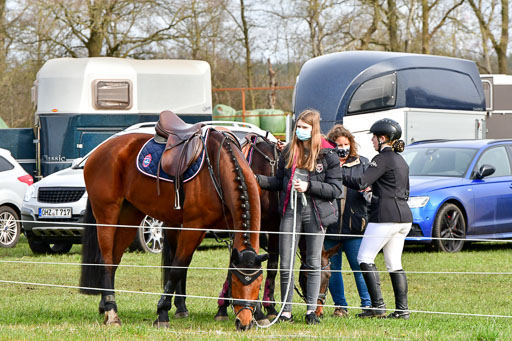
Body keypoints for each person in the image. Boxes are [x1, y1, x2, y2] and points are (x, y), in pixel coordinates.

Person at [256, 109, 342, 325]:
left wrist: (308, 186)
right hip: (290, 212)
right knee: (286, 263)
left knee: (313, 262)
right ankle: (286, 311)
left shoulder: (328, 155)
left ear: (314, 129)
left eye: (305, 127)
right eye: (298, 127)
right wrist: (256, 179)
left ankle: (310, 311)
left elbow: (335, 189)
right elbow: (277, 182)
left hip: (316, 214)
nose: (300, 131)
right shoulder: (288, 152)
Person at [341, 118, 412, 319]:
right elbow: (405, 190)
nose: (372, 141)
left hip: (385, 216)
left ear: (382, 138)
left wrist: (339, 174)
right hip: (404, 217)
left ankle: (377, 306)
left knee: (364, 258)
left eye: (373, 137)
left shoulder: (381, 159)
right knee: (394, 263)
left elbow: (362, 181)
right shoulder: (401, 160)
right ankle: (401, 310)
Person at [324, 124, 371, 317]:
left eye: (345, 143)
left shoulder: (364, 163)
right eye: (338, 144)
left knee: (359, 267)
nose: (342, 147)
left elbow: (370, 189)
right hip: (331, 227)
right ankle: (340, 306)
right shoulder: (325, 164)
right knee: (333, 269)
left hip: (355, 227)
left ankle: (368, 304)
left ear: (351, 144)